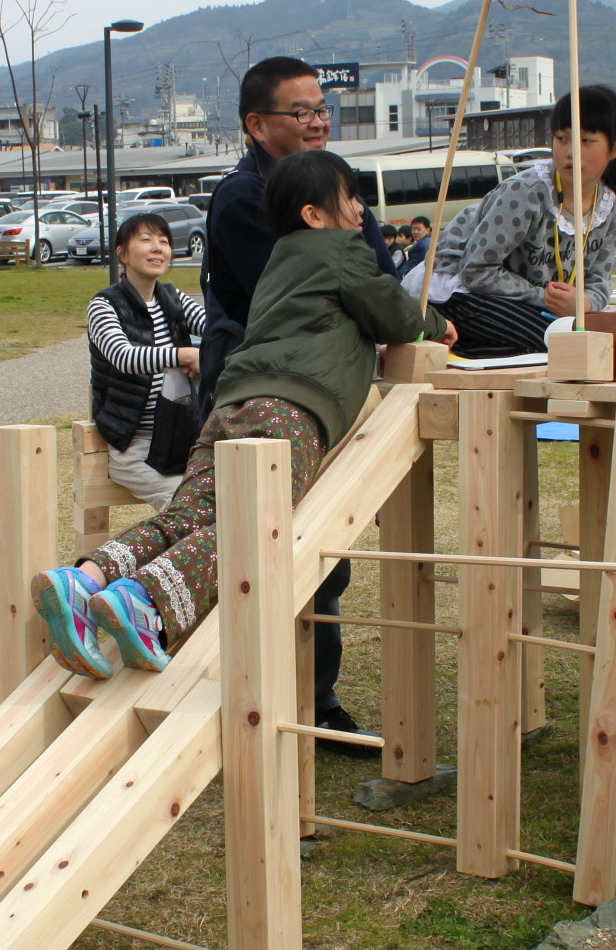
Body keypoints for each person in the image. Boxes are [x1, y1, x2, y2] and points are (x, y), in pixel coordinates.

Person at [31, 150, 453, 678]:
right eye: (349, 198)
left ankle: (88, 579)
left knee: (187, 516)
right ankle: (143, 599)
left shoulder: (279, 261)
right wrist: (434, 324)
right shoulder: (343, 249)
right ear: (313, 214)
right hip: (291, 410)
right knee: (250, 526)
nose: (359, 210)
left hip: (230, 403)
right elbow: (392, 312)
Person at [199, 57, 399, 741]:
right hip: (274, 397)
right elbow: (360, 283)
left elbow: (376, 273)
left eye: (321, 108)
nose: (317, 120)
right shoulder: (246, 200)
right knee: (260, 550)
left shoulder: (321, 185)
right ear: (258, 125)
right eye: (299, 111)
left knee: (321, 555)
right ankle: (262, 703)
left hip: (304, 392)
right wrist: (362, 242)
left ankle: (311, 703)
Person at [414, 87, 616, 357]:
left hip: (525, 304)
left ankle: (478, 348)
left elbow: (600, 280)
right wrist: (545, 299)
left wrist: (583, 303)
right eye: (561, 138)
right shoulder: (527, 193)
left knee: (605, 340)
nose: (570, 152)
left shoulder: (612, 210)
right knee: (559, 343)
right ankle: (455, 343)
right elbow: (477, 270)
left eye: (586, 141)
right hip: (458, 290)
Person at [88, 211, 207, 510]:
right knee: (184, 505)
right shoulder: (103, 304)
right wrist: (185, 354)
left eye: (164, 241)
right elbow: (123, 356)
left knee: (229, 493)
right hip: (132, 444)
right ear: (122, 253)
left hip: (181, 437)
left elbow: (215, 330)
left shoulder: (173, 298)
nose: (158, 248)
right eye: (146, 240)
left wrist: (210, 352)